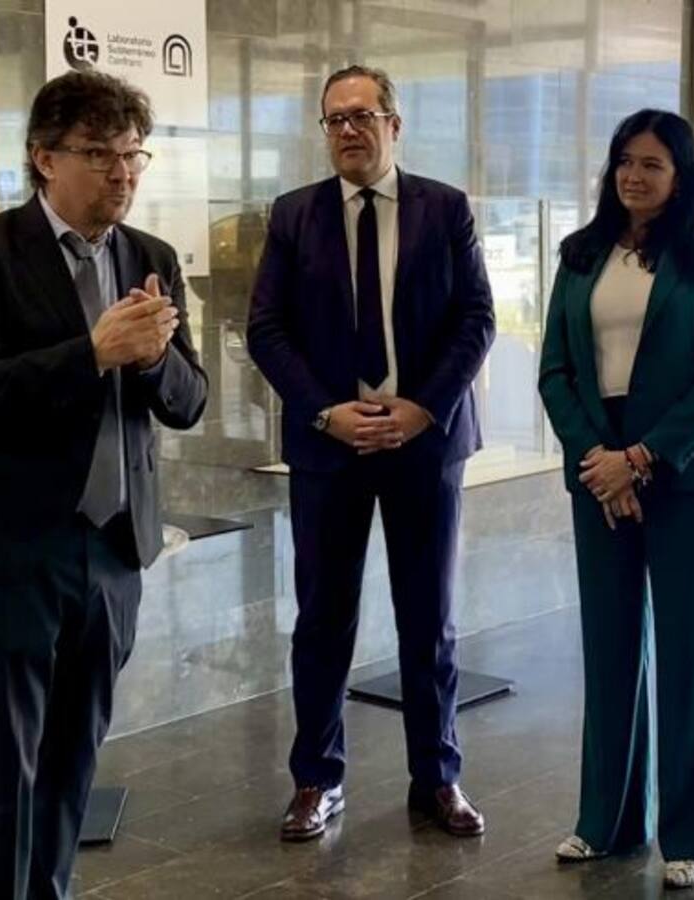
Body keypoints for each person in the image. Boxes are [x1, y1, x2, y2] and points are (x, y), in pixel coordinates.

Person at [247, 65, 495, 842]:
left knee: (429, 619)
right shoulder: (293, 215)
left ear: (394, 123)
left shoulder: (445, 208)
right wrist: (327, 413)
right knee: (323, 619)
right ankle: (315, 780)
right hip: (331, 447)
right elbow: (266, 329)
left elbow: (477, 318)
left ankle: (438, 778)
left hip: (425, 443)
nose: (347, 130)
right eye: (334, 119)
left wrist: (423, 409)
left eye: (361, 115)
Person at [0, 71, 207, 899]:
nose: (123, 173)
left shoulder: (151, 258)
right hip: (17, 548)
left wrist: (153, 360)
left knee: (75, 754)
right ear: (45, 158)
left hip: (114, 549)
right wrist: (92, 355)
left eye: (134, 154)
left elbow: (190, 402)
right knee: (4, 761)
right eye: (100, 155)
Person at [538, 108, 694, 890]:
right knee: (610, 648)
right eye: (625, 160)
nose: (634, 175)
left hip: (684, 473)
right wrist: (599, 460)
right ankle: (609, 822)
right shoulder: (581, 254)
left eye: (653, 163)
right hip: (599, 466)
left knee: (692, 656)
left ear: (681, 176)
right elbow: (556, 369)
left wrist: (642, 459)